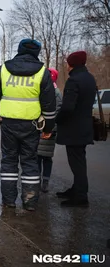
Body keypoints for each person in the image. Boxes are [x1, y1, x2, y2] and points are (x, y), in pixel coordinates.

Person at [0, 39, 56, 211]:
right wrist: (48, 128)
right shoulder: (42, 72)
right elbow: (49, 104)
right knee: (30, 162)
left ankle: (9, 200)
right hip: (31, 126)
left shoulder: (3, 69)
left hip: (9, 125)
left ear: (19, 50)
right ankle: (30, 202)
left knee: (9, 161)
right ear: (36, 53)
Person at [55, 51, 96, 207]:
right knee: (79, 161)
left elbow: (67, 108)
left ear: (72, 64)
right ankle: (77, 189)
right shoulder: (89, 78)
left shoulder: (74, 80)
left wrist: (56, 120)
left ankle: (80, 197)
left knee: (76, 163)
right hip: (84, 127)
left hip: (74, 130)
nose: (66, 65)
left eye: (68, 62)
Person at [37, 68, 63, 193]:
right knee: (37, 156)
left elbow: (56, 112)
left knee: (46, 157)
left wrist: (49, 129)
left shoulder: (56, 93)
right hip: (40, 127)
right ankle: (37, 181)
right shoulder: (44, 90)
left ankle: (45, 181)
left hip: (49, 129)